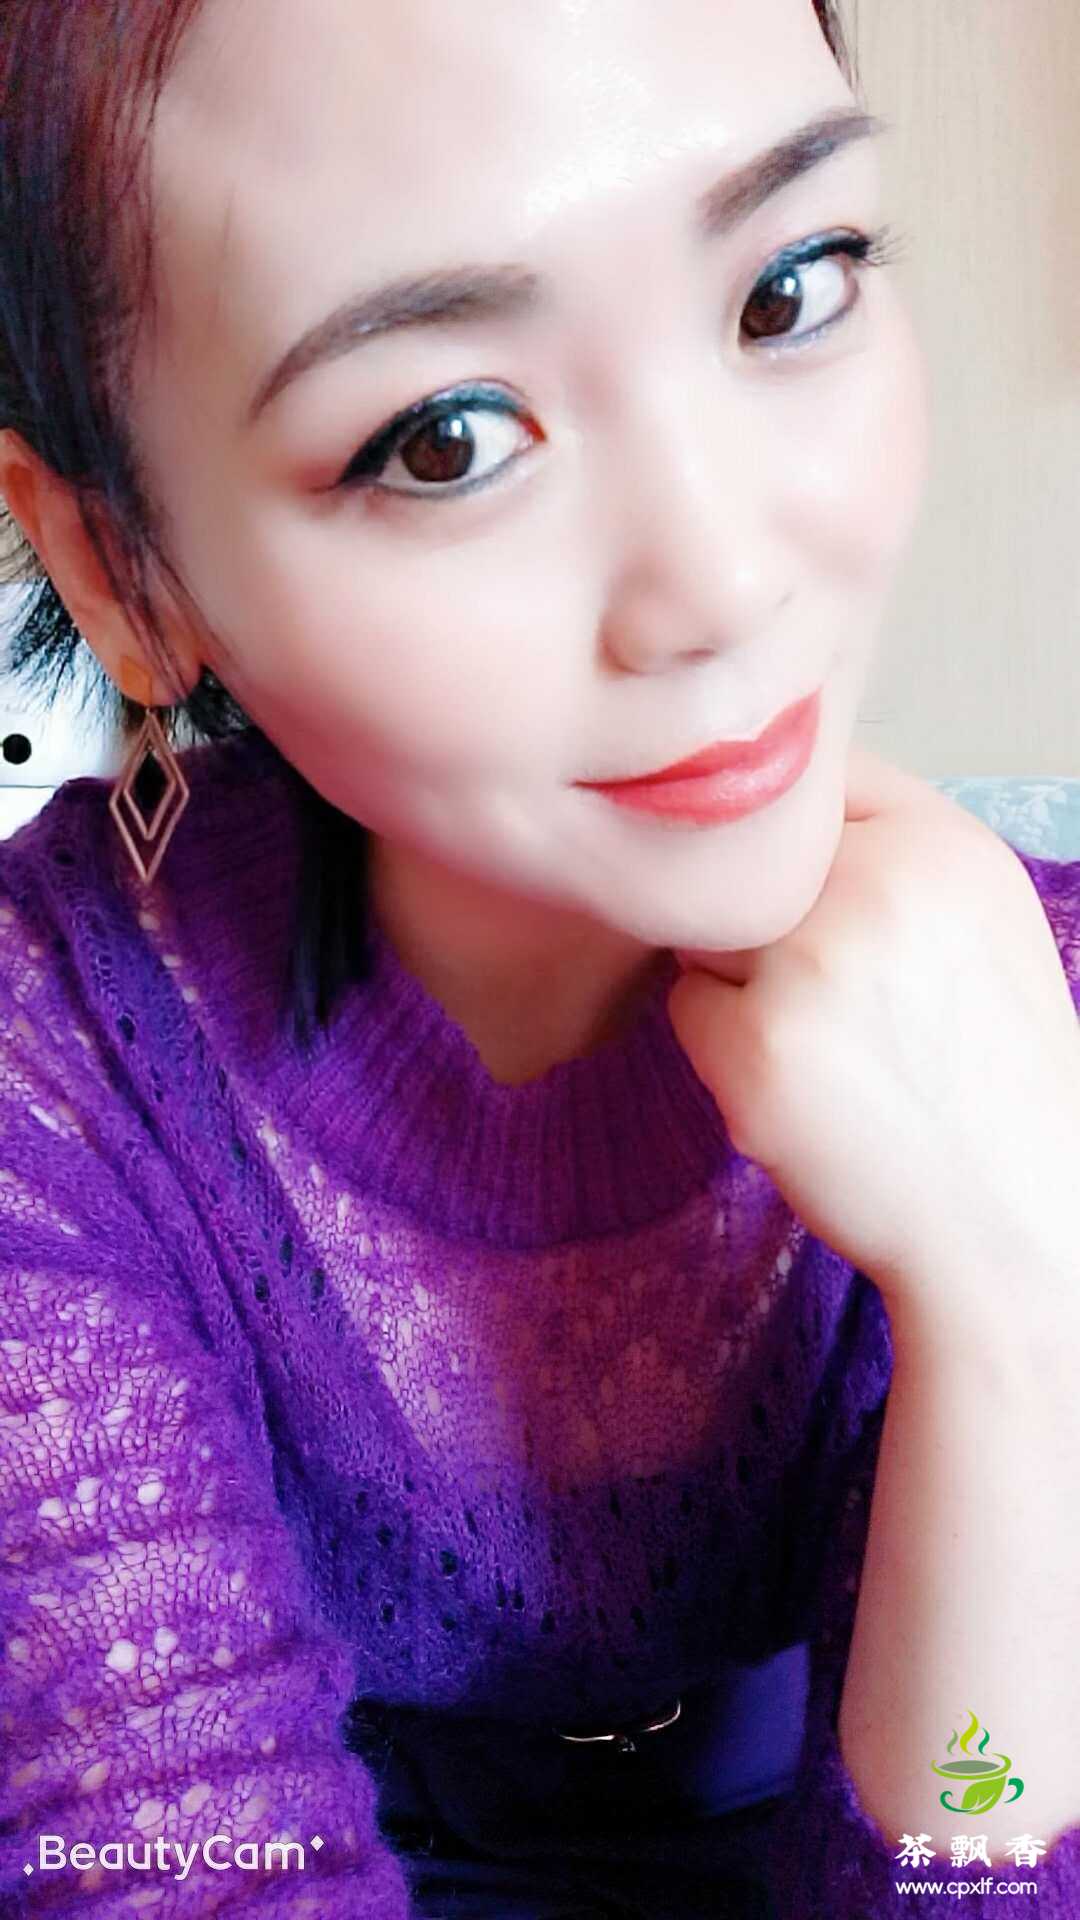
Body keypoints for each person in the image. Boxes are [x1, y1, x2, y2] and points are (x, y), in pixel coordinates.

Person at [1, 1, 1078, 1915]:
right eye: (447, 437)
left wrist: (1020, 1319)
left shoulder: (1032, 1022)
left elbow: (972, 1857)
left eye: (789, 289)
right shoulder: (57, 1080)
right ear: (117, 569)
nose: (728, 580)